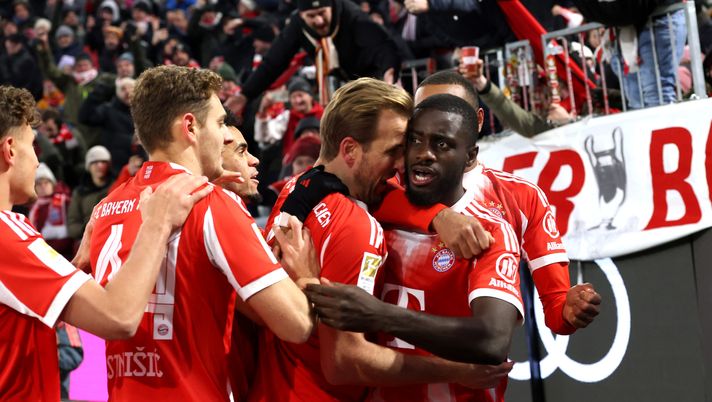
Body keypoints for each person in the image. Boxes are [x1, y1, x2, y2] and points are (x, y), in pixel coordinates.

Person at [254, 78, 505, 402]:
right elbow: (344, 361)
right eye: (393, 151)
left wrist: (438, 215)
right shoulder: (362, 230)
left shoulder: (296, 189)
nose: (404, 164)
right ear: (350, 150)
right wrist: (453, 369)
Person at [88, 65, 316, 402]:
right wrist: (307, 278)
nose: (224, 135)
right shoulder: (211, 203)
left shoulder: (105, 208)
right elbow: (296, 324)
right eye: (221, 122)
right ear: (191, 127)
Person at [320, 70, 600, 335]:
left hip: (469, 373)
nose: (434, 119)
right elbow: (327, 183)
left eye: (449, 109)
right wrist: (439, 217)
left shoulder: (522, 197)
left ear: (477, 121)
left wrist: (570, 311)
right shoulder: (388, 179)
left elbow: (556, 310)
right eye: (423, 114)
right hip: (387, 372)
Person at [0, 84, 213, 401]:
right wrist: (156, 224)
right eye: (33, 146)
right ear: (10, 150)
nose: (35, 160)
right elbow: (118, 317)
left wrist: (74, 269)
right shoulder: (7, 237)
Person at [308, 94, 525, 401]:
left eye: (442, 144)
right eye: (414, 141)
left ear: (470, 155)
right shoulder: (370, 208)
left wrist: (380, 315)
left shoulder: (488, 232)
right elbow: (322, 178)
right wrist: (436, 215)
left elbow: (491, 340)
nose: (424, 154)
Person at [236, 0, 401, 108]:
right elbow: (273, 62)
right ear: (301, 15)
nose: (319, 21)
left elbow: (382, 45)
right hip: (339, 88)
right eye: (311, 16)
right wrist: (245, 95)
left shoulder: (351, 15)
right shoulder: (297, 25)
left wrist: (390, 73)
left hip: (374, 81)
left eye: (322, 13)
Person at [67, 145, 114, 241]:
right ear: (88, 166)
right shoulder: (80, 193)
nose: (100, 165)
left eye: (103, 162)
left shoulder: (117, 187)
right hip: (88, 241)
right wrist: (86, 229)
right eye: (95, 162)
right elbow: (72, 224)